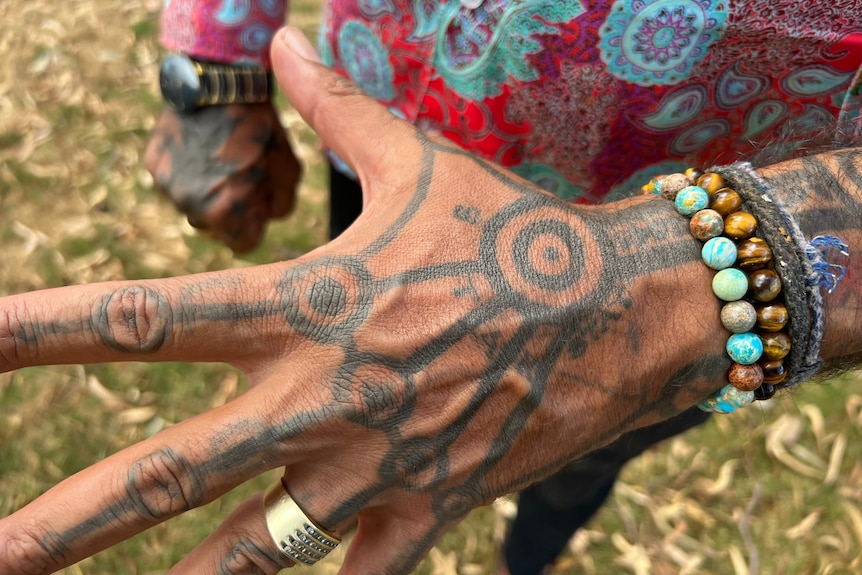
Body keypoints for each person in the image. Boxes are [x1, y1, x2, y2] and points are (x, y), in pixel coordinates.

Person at [0, 5, 860, 575]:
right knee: (344, 389)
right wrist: (213, 57)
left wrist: (692, 284)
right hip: (381, 123)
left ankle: (531, 550)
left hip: (692, 233)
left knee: (576, 459)